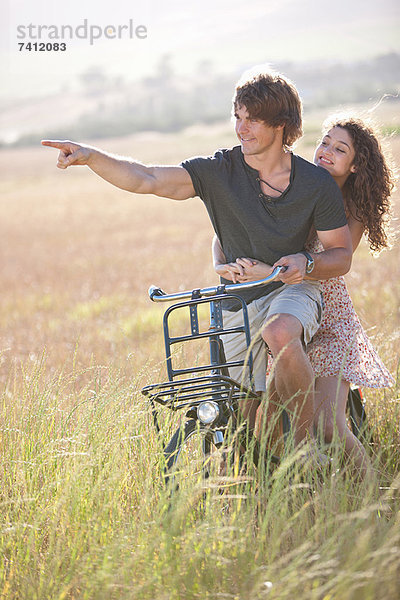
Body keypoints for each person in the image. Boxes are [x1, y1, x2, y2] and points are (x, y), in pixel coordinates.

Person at [42, 68, 353, 454]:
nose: (241, 127)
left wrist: (304, 263)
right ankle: (264, 474)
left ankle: (305, 450)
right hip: (236, 299)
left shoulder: (315, 183)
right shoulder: (218, 171)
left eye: (253, 119)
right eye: (237, 116)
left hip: (294, 289)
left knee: (280, 332)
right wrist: (90, 156)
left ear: (281, 124)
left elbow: (340, 256)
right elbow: (147, 178)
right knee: (244, 416)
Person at [213, 116, 395, 473]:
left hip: (326, 318)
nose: (326, 152)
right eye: (325, 142)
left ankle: (376, 506)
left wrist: (269, 273)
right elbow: (225, 233)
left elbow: (335, 261)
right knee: (268, 423)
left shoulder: (351, 208)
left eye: (339, 149)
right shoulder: (291, 184)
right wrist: (221, 264)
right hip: (281, 312)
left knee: (328, 426)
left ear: (355, 165)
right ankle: (290, 493)